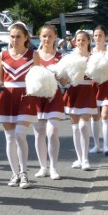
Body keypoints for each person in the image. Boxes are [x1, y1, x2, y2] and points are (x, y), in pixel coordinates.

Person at [0, 21, 37, 189]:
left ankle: (24, 172)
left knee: (20, 134)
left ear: (26, 37)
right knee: (10, 138)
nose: (15, 39)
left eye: (18, 36)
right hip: (7, 96)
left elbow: (37, 77)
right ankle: (15, 173)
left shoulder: (33, 55)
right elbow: (0, 80)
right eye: (12, 36)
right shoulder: (2, 55)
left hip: (26, 96)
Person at [32, 25, 68, 180]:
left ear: (55, 38)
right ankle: (43, 167)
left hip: (54, 97)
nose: (47, 39)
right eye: (44, 36)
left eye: (50, 36)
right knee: (39, 132)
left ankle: (53, 167)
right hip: (37, 97)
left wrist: (57, 74)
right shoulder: (34, 56)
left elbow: (66, 82)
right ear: (40, 37)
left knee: (52, 132)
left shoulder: (61, 57)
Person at [63, 30, 98, 170]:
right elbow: (64, 78)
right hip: (73, 91)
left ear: (89, 41)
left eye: (84, 40)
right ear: (74, 42)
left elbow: (101, 76)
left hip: (87, 90)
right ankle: (79, 158)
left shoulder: (94, 58)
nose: (81, 42)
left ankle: (85, 159)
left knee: (84, 125)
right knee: (75, 127)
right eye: (78, 40)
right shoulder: (69, 57)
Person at [89, 25, 108, 156]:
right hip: (93, 85)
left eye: (100, 35)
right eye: (95, 35)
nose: (97, 38)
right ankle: (96, 145)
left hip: (107, 84)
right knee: (94, 116)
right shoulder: (89, 51)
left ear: (105, 37)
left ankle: (106, 145)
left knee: (105, 115)